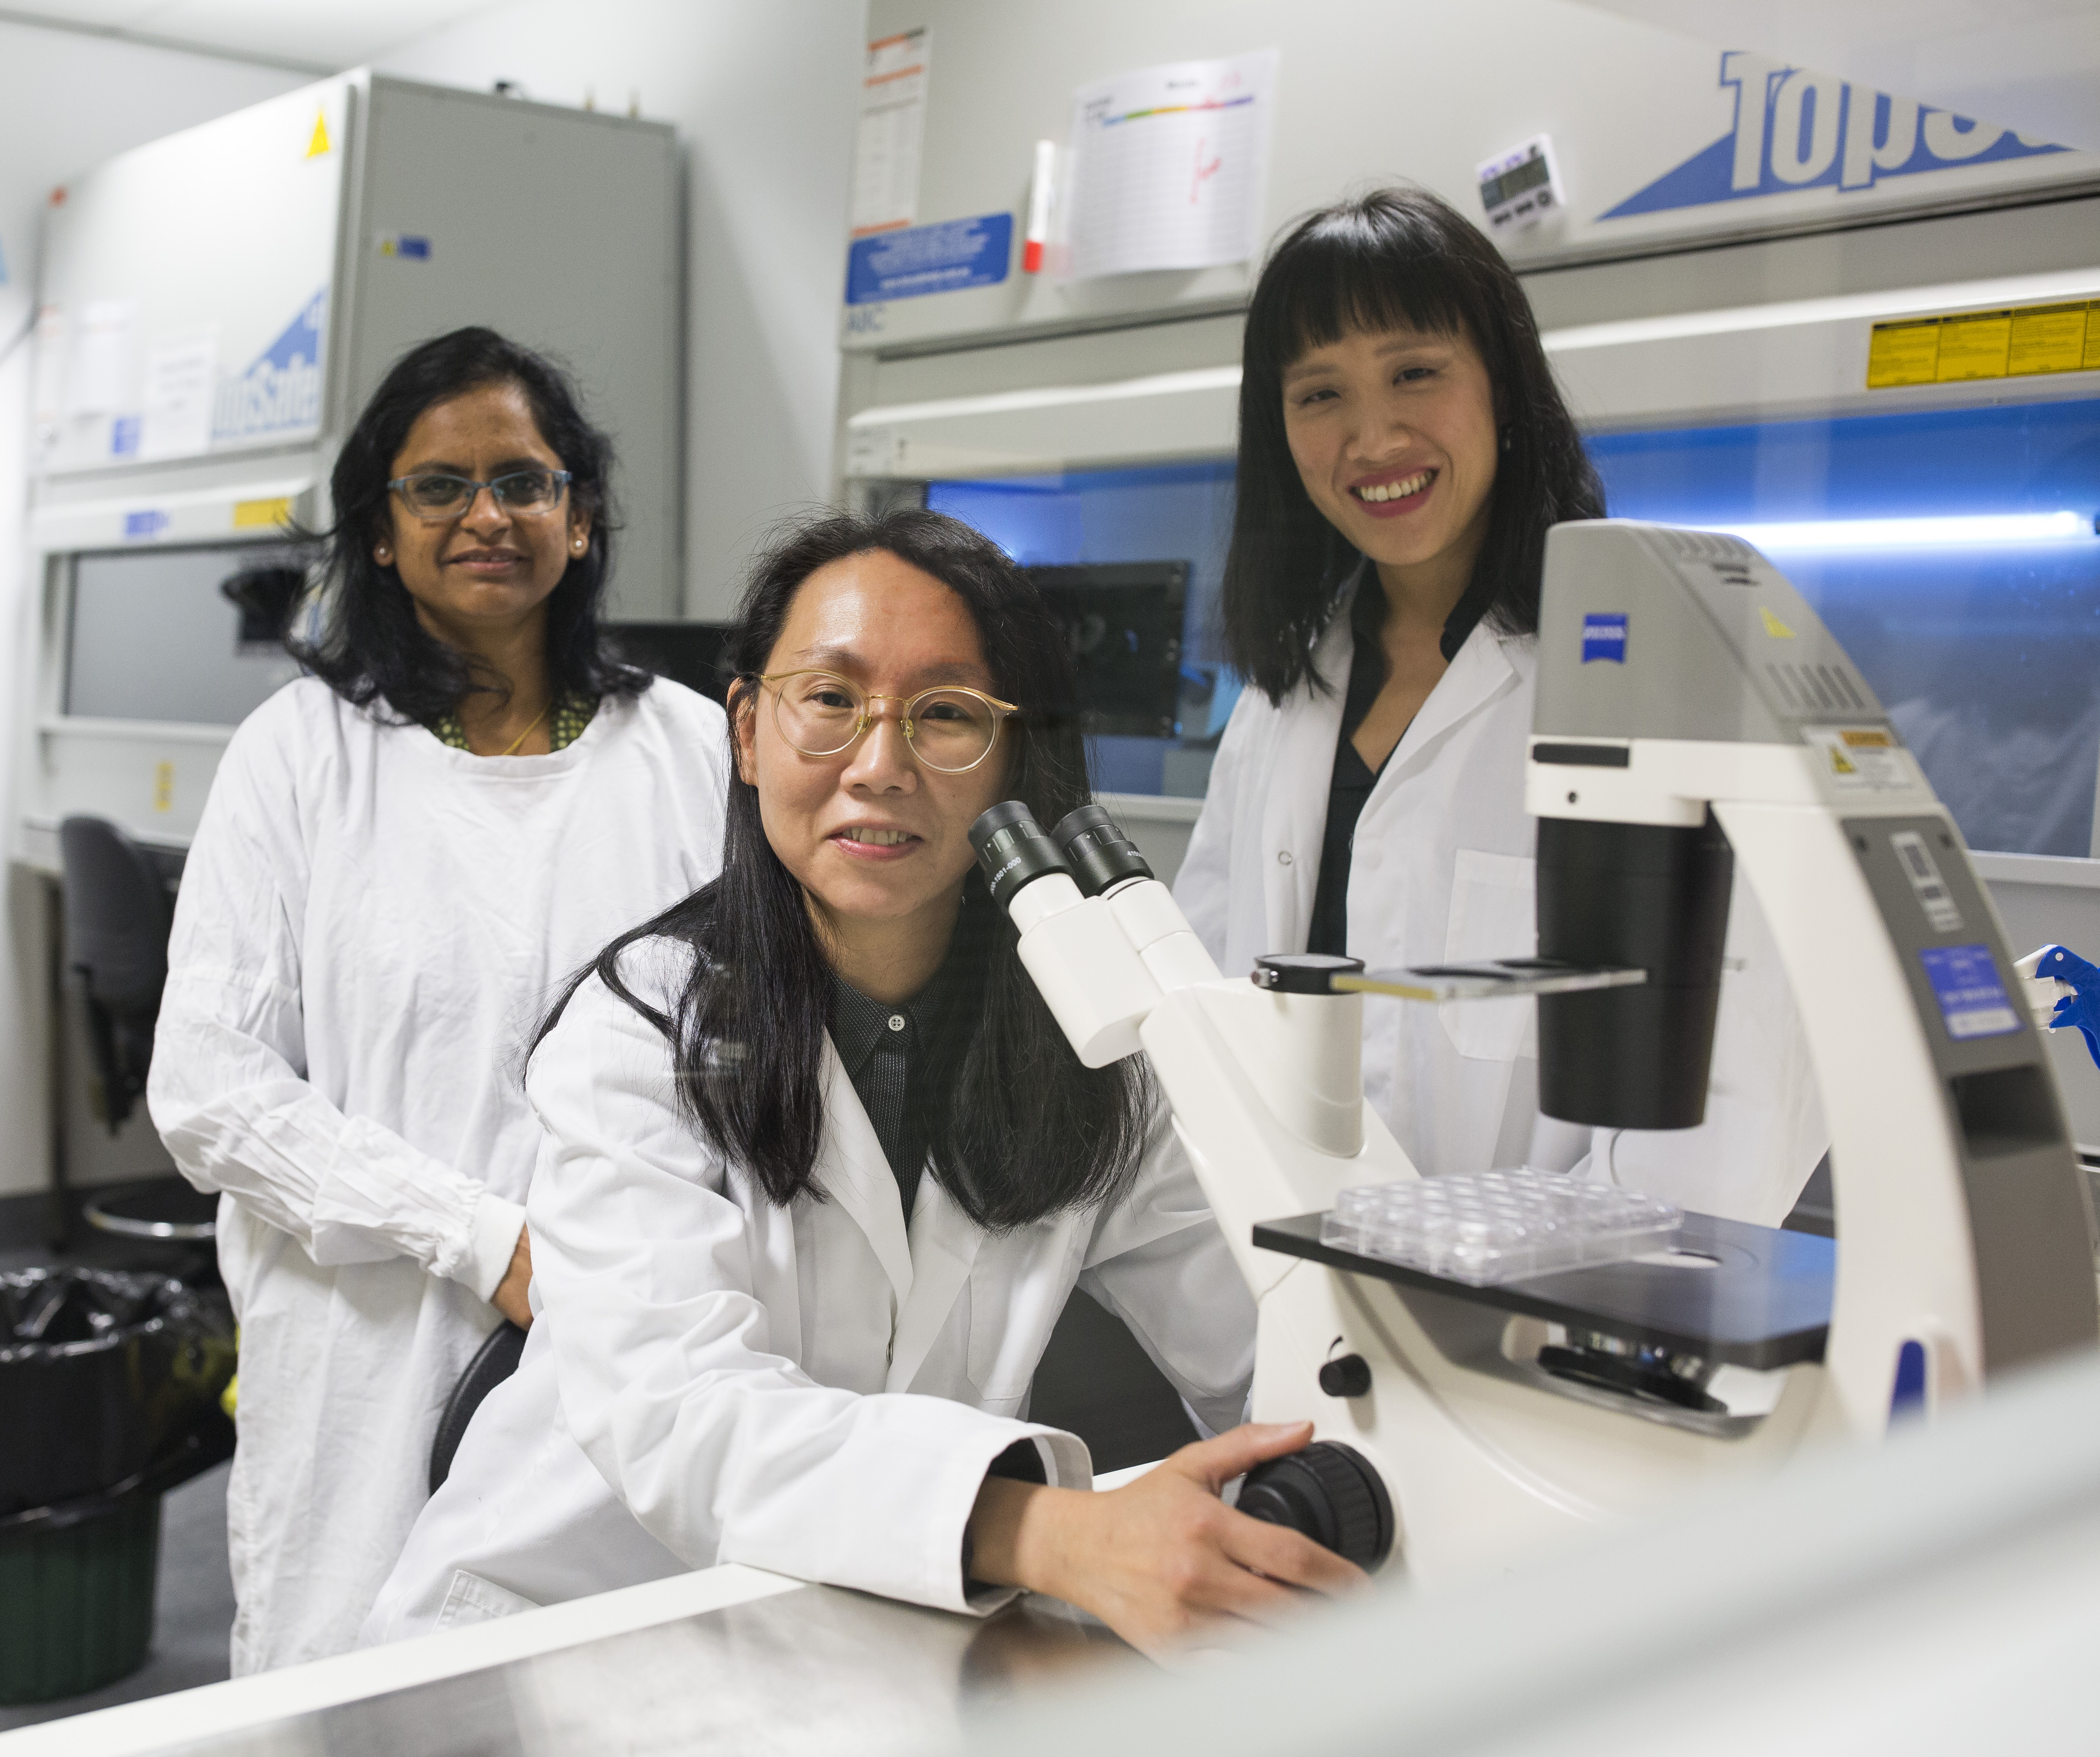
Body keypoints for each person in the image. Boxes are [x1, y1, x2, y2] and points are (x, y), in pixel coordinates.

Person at [363, 508, 1364, 1655]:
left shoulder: (1089, 1051)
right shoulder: (641, 1032)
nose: (879, 768)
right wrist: (1051, 1532)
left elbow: (1270, 1339)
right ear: (748, 732)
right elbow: (683, 1418)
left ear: (1016, 757)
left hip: (857, 1644)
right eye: (830, 701)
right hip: (560, 1643)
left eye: (945, 716)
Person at [146, 327, 730, 1674]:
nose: (488, 516)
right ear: (382, 530)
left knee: (610, 1690)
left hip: (634, 1340)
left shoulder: (693, 751)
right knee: (349, 1691)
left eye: (525, 482)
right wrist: (484, 1238)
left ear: (580, 520)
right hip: (370, 1350)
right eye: (440, 487)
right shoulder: (298, 757)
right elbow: (209, 1088)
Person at [1169, 187, 1824, 1220]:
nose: (1371, 436)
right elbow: (1204, 1025)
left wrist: (1515, 1331)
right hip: (1290, 1309)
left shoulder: (1660, 679)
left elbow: (1738, 1100)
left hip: (1545, 1333)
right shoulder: (1280, 701)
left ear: (1504, 388)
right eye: (1318, 394)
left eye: (1416, 373)